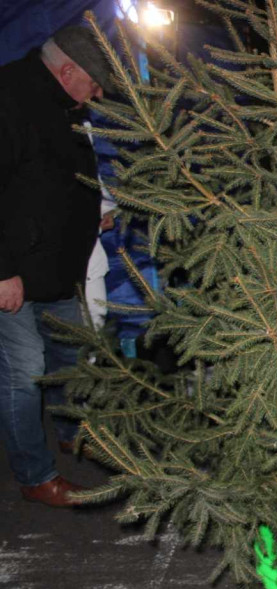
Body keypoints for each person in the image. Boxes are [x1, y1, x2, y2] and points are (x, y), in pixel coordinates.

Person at [0, 25, 114, 507]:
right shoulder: (8, 98)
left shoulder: (64, 104)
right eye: (94, 81)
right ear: (68, 70)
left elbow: (62, 176)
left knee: (69, 359)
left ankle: (72, 433)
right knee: (23, 374)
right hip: (15, 273)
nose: (99, 92)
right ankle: (36, 476)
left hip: (59, 266)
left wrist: (95, 212)